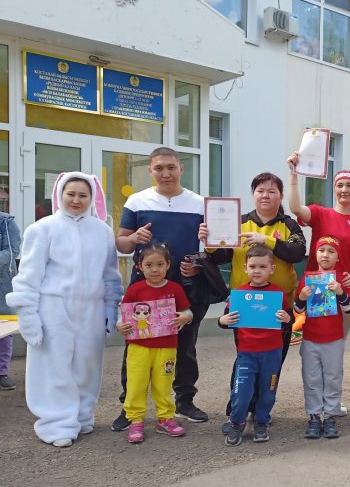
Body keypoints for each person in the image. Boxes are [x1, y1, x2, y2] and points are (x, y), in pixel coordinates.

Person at [8, 172, 122, 447]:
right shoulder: (42, 229)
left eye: (83, 195)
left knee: (87, 364)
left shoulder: (102, 231)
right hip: (53, 307)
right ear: (60, 194)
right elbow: (29, 275)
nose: (76, 200)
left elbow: (110, 274)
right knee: (54, 365)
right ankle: (56, 422)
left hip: (92, 308)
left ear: (92, 198)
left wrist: (111, 307)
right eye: (71, 194)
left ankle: (82, 415)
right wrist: (28, 315)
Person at [200, 172, 305, 432]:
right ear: (253, 194)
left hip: (279, 306)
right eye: (260, 190)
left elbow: (297, 252)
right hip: (244, 303)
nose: (265, 195)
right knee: (246, 357)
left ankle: (261, 410)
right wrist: (210, 243)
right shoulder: (239, 222)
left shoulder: (289, 225)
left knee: (273, 360)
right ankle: (239, 407)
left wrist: (266, 240)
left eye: (272, 191)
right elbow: (221, 256)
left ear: (281, 195)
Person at [113, 147, 207, 431]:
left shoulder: (199, 203)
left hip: (185, 287)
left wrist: (199, 265)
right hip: (145, 289)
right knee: (137, 346)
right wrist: (134, 238)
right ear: (150, 170)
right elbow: (121, 244)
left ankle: (184, 401)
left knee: (185, 345)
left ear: (181, 169)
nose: (166, 173)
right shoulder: (137, 200)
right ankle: (129, 408)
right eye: (159, 168)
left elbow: (213, 247)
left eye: (171, 167)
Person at [116, 243, 192, 443]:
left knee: (163, 384)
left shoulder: (175, 288)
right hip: (139, 347)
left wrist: (186, 317)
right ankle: (135, 420)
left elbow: (187, 311)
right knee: (136, 383)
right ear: (140, 267)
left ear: (168, 265)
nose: (155, 269)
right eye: (149, 265)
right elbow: (123, 315)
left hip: (167, 347)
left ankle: (165, 418)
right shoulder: (135, 289)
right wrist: (120, 325)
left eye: (160, 264)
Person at [218, 245, 293, 447]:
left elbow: (288, 319)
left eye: (262, 266)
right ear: (245, 268)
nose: (257, 271)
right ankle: (237, 422)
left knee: (268, 391)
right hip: (246, 354)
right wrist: (222, 320)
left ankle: (262, 421)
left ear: (272, 269)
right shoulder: (238, 294)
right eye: (252, 266)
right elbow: (225, 319)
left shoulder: (278, 294)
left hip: (272, 353)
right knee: (241, 392)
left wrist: (287, 318)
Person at [287, 153, 350, 338]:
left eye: (349, 185)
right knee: (313, 337)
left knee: (339, 339)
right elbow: (295, 208)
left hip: (344, 288)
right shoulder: (320, 213)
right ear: (334, 189)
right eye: (340, 185)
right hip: (316, 285)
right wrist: (293, 175)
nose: (344, 189)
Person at [294, 236, 350, 439]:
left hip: (334, 339)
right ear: (315, 254)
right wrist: (301, 297)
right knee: (311, 378)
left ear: (338, 257)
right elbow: (297, 310)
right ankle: (314, 416)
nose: (325, 255)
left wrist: (340, 292)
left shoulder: (341, 280)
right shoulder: (306, 280)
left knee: (333, 377)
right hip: (311, 339)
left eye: (331, 251)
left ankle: (330, 416)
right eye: (322, 250)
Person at [0, 211, 21, 390]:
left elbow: (13, 251)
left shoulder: (6, 222)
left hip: (3, 283)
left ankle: (2, 373)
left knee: (4, 328)